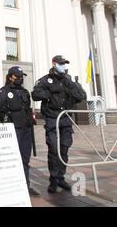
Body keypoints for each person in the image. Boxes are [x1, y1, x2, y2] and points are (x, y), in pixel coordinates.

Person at [31, 55, 87, 194]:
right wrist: (50, 93)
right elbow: (35, 94)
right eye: (61, 63)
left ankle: (61, 177)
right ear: (54, 63)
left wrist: (69, 91)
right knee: (54, 150)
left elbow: (81, 95)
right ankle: (54, 180)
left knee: (64, 148)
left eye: (65, 64)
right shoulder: (45, 80)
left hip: (65, 119)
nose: (63, 66)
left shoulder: (68, 81)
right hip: (52, 118)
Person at [0, 66, 39, 196]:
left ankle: (25, 184)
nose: (19, 78)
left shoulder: (25, 92)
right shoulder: (4, 91)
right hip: (13, 129)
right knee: (12, 158)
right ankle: (10, 185)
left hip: (26, 128)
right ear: (10, 77)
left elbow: (28, 108)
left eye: (21, 76)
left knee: (25, 157)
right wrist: (6, 119)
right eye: (17, 76)